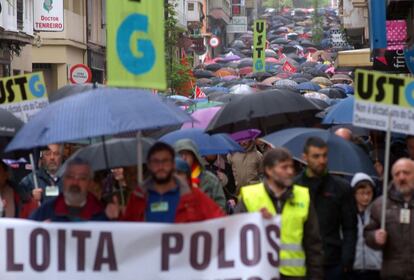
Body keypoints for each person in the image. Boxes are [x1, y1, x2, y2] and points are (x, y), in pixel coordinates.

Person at [235, 148, 324, 280]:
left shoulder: (302, 196)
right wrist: (255, 221)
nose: (290, 171)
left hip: (295, 276)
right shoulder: (250, 196)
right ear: (269, 170)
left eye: (291, 167)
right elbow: (236, 238)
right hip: (260, 274)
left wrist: (315, 276)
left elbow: (313, 243)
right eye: (284, 167)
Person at [110, 142, 224, 222]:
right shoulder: (139, 197)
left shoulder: (193, 195)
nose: (161, 166)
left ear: (173, 164)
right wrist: (117, 216)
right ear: (149, 165)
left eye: (165, 161)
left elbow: (218, 220)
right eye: (156, 161)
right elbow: (128, 231)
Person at [295, 137, 357, 279]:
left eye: (324, 155)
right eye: (316, 156)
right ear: (305, 157)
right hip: (302, 262)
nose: (322, 160)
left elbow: (350, 226)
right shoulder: (294, 187)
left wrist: (347, 259)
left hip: (333, 261)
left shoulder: (341, 187)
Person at [364, 158, 414, 279]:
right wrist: (375, 237)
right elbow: (368, 233)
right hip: (392, 274)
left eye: (406, 173)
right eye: (397, 174)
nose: (401, 177)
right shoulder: (380, 205)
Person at [29, 158, 109, 222]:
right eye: (70, 177)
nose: (75, 182)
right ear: (63, 180)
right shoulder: (44, 212)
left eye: (82, 178)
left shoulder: (102, 214)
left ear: (90, 182)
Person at [174, 139, 226, 209]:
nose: (184, 157)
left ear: (194, 155)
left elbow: (221, 206)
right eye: (180, 154)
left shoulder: (209, 179)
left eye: (187, 153)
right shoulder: (171, 181)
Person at [350, 173, 382, 280]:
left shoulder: (377, 213)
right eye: (361, 193)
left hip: (375, 267)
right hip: (353, 267)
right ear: (354, 194)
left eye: (369, 193)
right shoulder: (348, 214)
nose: (366, 197)